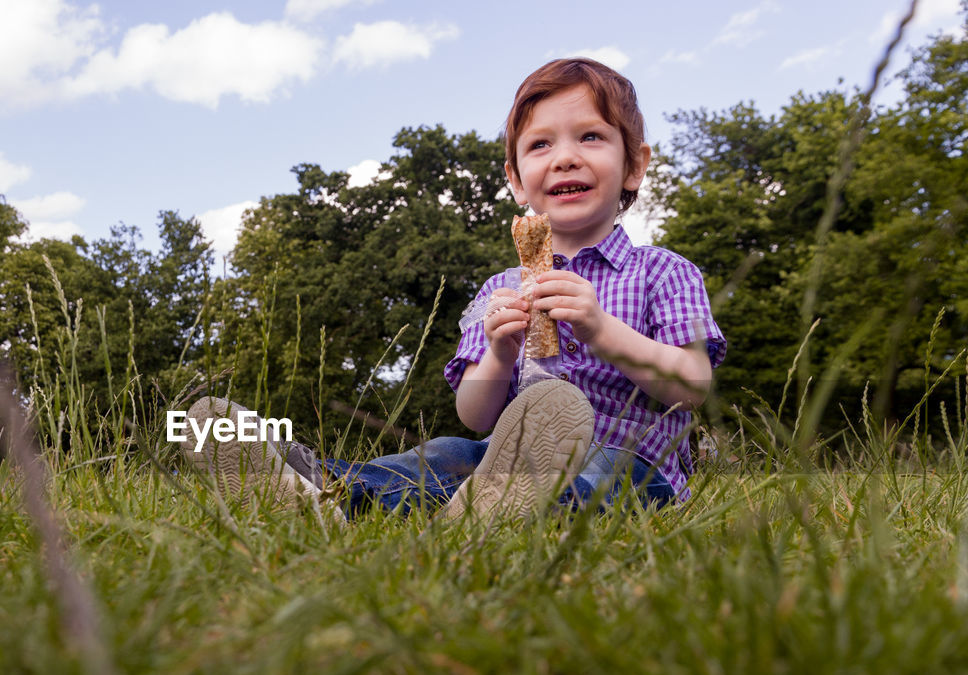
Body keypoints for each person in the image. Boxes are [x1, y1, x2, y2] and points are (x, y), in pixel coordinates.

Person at [179, 57, 725, 521]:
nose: (564, 156)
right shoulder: (501, 289)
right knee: (444, 453)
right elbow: (476, 414)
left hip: (631, 459)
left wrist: (604, 332)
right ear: (515, 180)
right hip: (501, 454)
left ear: (634, 165)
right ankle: (311, 488)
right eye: (540, 145)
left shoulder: (665, 272)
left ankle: (507, 504)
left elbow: (692, 384)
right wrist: (499, 350)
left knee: (605, 471)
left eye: (591, 136)